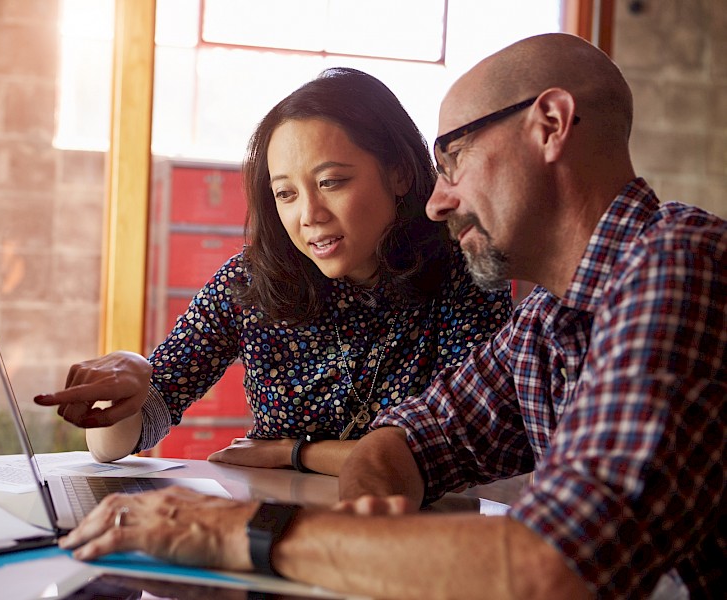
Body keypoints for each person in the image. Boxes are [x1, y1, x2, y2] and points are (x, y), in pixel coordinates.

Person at [51, 33, 725, 600]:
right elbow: (412, 438)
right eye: (285, 192)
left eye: (453, 158)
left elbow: (555, 565)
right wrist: (364, 533)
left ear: (549, 125)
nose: (440, 200)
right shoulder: (549, 316)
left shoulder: (677, 264)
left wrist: (237, 530)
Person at [35, 67, 511, 476]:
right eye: (286, 193)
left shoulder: (464, 273)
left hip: (415, 542)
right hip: (276, 536)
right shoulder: (251, 281)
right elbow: (121, 441)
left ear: (400, 174)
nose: (310, 215)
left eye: (331, 182)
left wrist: (296, 454)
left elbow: (460, 448)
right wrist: (133, 380)